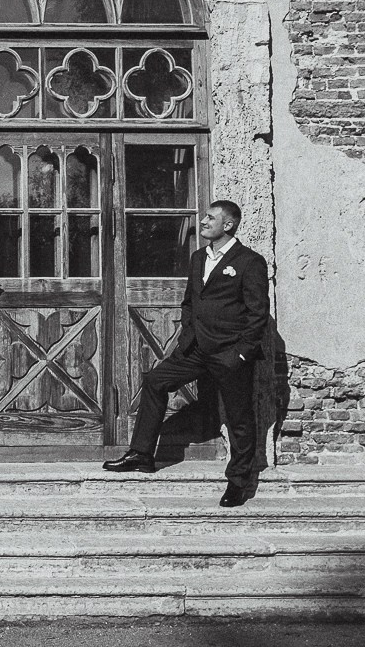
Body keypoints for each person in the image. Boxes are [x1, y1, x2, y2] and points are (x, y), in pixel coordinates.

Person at [103, 200, 271, 506]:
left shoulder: (250, 262)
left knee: (239, 419)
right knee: (155, 381)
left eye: (210, 218)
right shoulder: (198, 258)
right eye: (204, 216)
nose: (203, 221)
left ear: (228, 225)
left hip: (229, 354)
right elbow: (190, 302)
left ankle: (239, 482)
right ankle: (142, 454)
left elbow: (258, 314)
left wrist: (240, 354)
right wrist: (187, 336)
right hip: (194, 350)